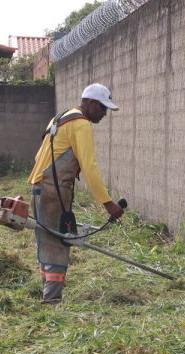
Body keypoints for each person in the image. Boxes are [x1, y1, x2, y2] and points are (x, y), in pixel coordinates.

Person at [27, 83, 124, 304]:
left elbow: (38, 157)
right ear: (89, 103)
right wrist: (108, 203)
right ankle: (52, 300)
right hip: (54, 192)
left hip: (39, 189)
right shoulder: (81, 124)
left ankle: (48, 293)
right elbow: (89, 167)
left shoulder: (59, 118)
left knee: (47, 241)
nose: (104, 113)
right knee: (59, 243)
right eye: (102, 107)